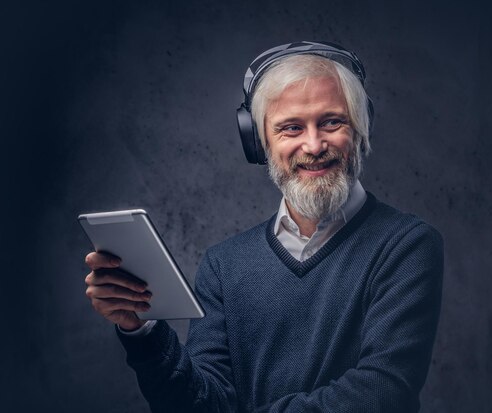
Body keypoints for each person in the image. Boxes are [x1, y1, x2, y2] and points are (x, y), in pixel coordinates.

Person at [84, 41, 444, 412]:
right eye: (291, 128)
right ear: (259, 143)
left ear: (359, 127)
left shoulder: (407, 246)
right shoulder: (223, 267)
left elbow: (382, 393)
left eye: (332, 122)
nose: (314, 144)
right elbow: (200, 404)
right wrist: (141, 329)